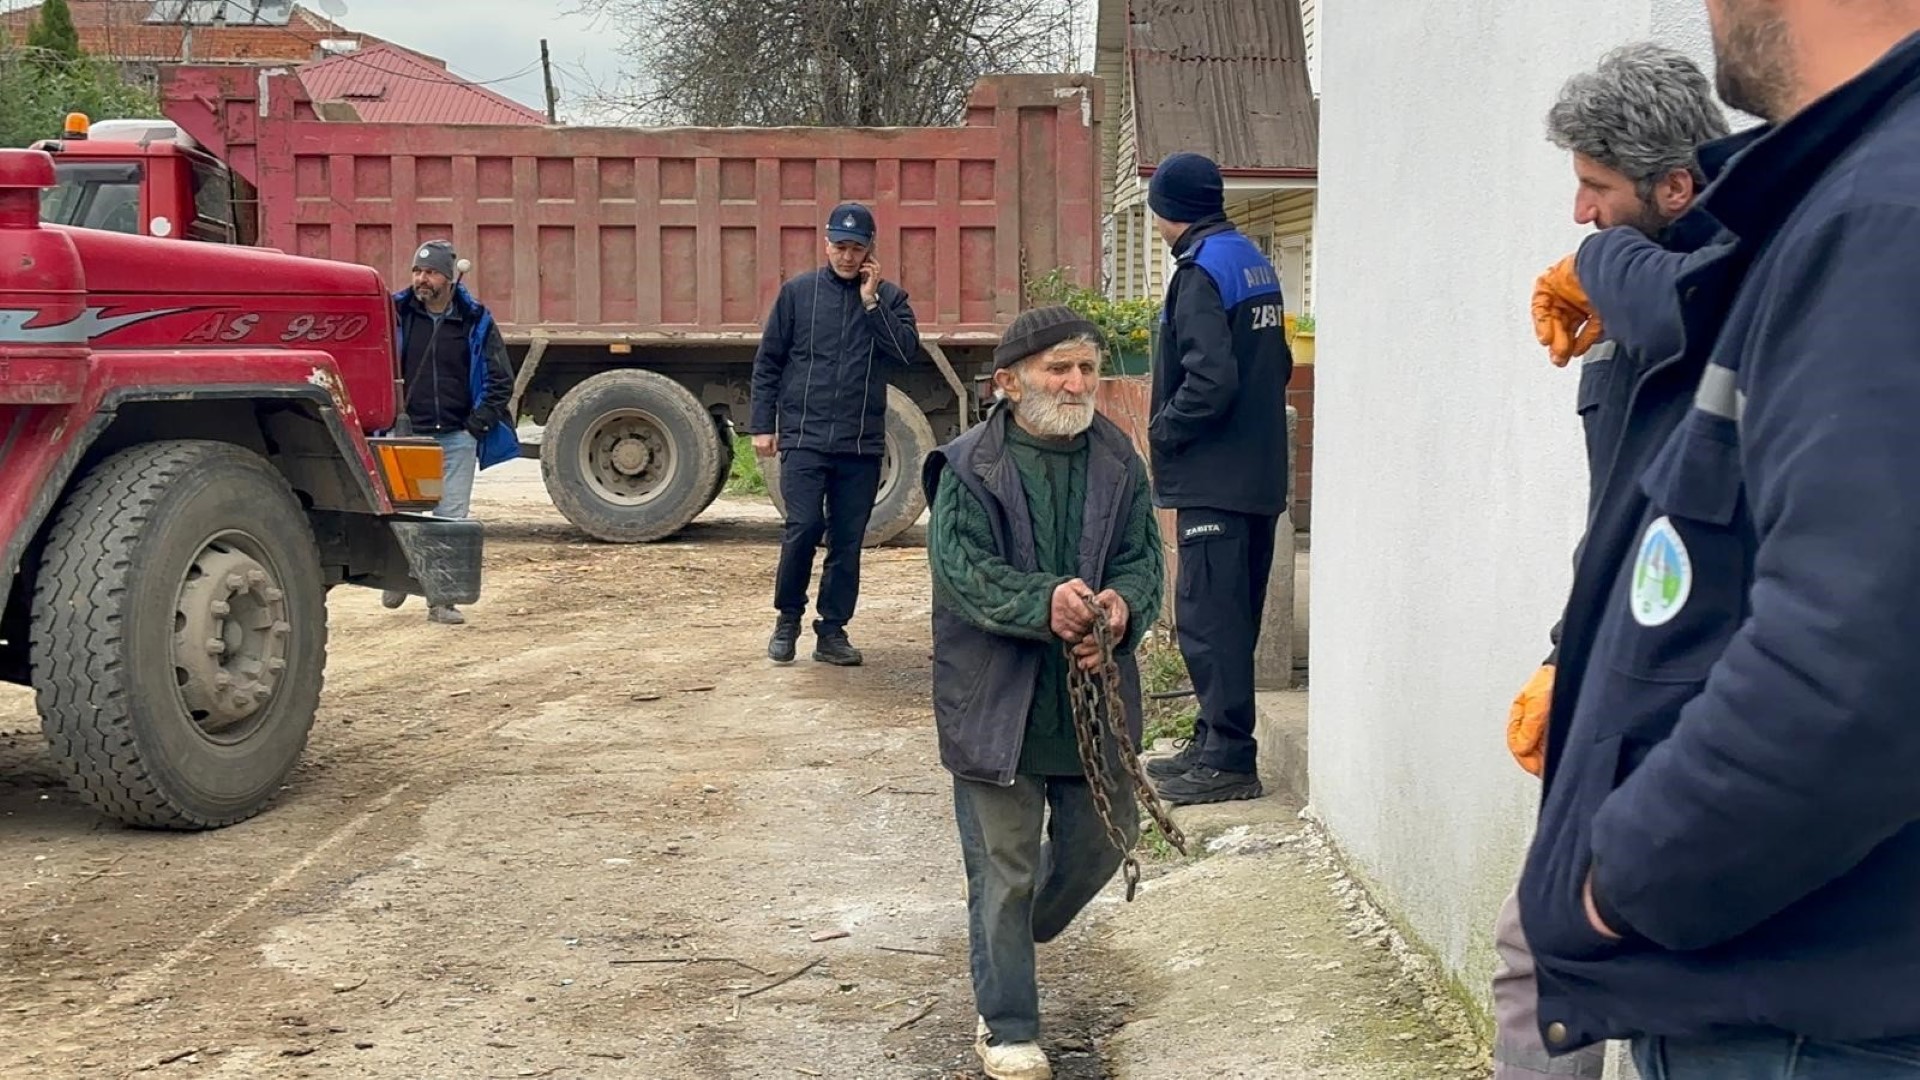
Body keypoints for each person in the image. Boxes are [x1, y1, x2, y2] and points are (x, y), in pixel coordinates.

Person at [1519, 5, 1920, 1076]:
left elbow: (1859, 665)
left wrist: (1615, 881)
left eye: (1598, 189)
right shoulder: (1828, 196)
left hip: (1804, 1020)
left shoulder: (1882, 213)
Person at [1494, 43, 1728, 1080]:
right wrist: (1567, 656)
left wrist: (1594, 266)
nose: (1581, 212)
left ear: (1674, 187)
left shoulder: (1732, 284)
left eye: (1597, 188)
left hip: (1692, 704)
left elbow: (1686, 305)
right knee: (1543, 956)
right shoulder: (1634, 296)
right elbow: (1619, 527)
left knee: (1581, 961)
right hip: (1615, 676)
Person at [924, 305, 1164, 1080]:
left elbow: (1143, 559)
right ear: (1008, 381)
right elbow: (963, 572)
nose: (1076, 383)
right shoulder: (968, 466)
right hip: (996, 704)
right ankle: (1008, 1026)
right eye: (1058, 368)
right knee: (1005, 869)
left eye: (1087, 368)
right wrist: (1045, 604)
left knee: (1105, 840)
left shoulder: (1118, 458)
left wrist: (1120, 610)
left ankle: (1004, 940)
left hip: (1090, 699)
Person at [1140, 151, 1292, 807]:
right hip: (1257, 473)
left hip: (1215, 477)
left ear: (1168, 210)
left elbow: (1209, 380)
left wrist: (1165, 429)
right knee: (1234, 617)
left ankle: (1228, 759)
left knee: (1209, 621)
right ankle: (1211, 742)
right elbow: (1278, 363)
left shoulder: (1200, 272)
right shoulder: (1251, 260)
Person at [749, 202, 920, 667]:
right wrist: (762, 424)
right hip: (804, 438)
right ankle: (787, 619)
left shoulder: (890, 300)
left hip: (860, 445)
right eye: (840, 247)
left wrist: (871, 302)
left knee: (847, 542)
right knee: (803, 528)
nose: (847, 256)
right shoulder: (797, 294)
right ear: (826, 245)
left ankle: (832, 632)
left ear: (870, 251)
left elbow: (905, 353)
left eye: (856, 249)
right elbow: (768, 363)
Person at [381, 239, 517, 625]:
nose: (421, 279)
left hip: (457, 436)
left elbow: (499, 379)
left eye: (430, 273)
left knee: (450, 521)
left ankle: (441, 601)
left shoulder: (475, 319)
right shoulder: (395, 314)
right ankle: (401, 574)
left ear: (449, 278)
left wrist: (476, 426)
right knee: (401, 516)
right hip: (407, 435)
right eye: (417, 271)